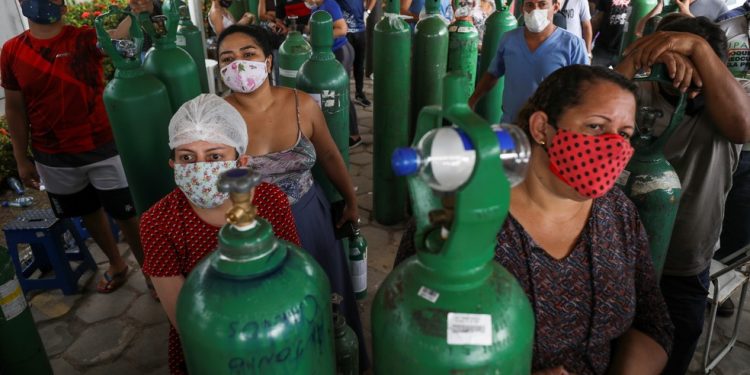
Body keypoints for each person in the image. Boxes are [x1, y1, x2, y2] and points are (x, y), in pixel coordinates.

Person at [396, 65, 674, 374]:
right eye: (596, 127)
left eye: (624, 134)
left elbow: (653, 321)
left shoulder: (617, 211)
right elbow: (412, 340)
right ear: (542, 128)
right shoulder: (461, 221)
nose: (613, 147)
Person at [216, 24, 369, 371]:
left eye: (248, 54)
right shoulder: (217, 119)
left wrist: (351, 200)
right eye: (228, 59)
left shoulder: (302, 105)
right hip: (252, 232)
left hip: (308, 218)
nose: (238, 65)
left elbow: (330, 155)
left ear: (268, 62)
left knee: (325, 301)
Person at [615, 16, 750, 374]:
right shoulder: (639, 92)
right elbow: (585, 118)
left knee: (672, 352)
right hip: (619, 255)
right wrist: (636, 58)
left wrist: (697, 48)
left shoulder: (728, 106)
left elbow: (743, 125)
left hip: (683, 265)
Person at [140, 94, 300, 375]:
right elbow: (184, 317)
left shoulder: (271, 201)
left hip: (274, 333)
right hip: (206, 346)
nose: (200, 168)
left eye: (215, 156)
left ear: (241, 162)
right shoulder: (158, 222)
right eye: (187, 157)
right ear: (173, 165)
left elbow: (292, 277)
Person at [2, 0, 147, 294]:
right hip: (53, 156)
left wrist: (136, 12)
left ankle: (151, 271)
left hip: (104, 147)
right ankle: (117, 264)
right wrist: (21, 159)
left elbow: (117, 37)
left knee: (127, 214)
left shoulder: (84, 38)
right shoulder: (11, 51)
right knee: (88, 212)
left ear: (64, 5)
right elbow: (15, 109)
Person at [469, 0, 588, 123]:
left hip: (548, 129)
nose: (535, 11)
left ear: (555, 7)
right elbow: (492, 74)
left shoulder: (573, 45)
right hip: (511, 124)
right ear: (522, 9)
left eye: (542, 4)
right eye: (529, 5)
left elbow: (584, 89)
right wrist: (472, 101)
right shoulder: (509, 39)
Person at [713, 0, 750, 317]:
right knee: (707, 211)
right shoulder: (727, 26)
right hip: (719, 140)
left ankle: (720, 286)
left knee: (742, 223)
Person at [304, 0, 363, 148]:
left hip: (341, 51)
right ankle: (337, 130)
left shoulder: (330, 4)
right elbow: (313, 27)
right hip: (334, 51)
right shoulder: (317, 7)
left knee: (341, 93)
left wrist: (319, 36)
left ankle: (354, 135)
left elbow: (342, 29)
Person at [335, 0, 372, 107]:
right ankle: (342, 96)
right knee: (343, 66)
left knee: (359, 65)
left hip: (360, 29)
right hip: (344, 31)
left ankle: (359, 93)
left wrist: (368, 11)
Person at [634, 0, 728, 38]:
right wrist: (661, 4)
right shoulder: (669, 3)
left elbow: (718, 44)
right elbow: (640, 31)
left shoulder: (717, 5)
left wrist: (687, 15)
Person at [590, 0, 630, 68]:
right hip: (602, 48)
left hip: (628, 51)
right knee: (591, 76)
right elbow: (597, 20)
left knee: (625, 78)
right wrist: (587, 47)